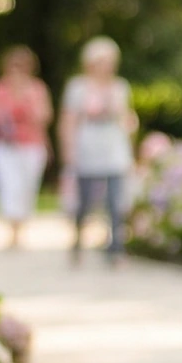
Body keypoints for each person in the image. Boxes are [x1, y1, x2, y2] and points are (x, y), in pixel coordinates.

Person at [58, 37, 137, 265]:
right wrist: (68, 149)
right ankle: (78, 240)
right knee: (84, 200)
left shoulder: (120, 86)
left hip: (114, 146)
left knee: (115, 199)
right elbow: (68, 120)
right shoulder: (78, 87)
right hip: (88, 146)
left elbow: (127, 118)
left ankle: (116, 247)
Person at [0, 46, 53, 249]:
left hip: (32, 146)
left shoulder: (37, 89)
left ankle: (21, 227)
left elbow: (44, 117)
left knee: (27, 187)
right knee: (8, 186)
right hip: (5, 147)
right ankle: (12, 229)